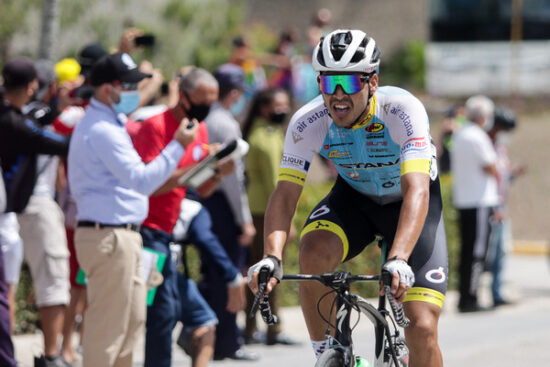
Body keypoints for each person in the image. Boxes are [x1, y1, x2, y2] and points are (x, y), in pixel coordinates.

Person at [248, 29, 448, 367]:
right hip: (355, 200)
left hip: (409, 206)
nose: (338, 95)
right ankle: (328, 354)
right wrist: (271, 257)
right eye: (328, 83)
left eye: (350, 83)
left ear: (372, 82)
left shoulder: (401, 110)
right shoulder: (307, 121)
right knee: (312, 251)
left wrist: (398, 258)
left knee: (423, 326)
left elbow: (417, 189)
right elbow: (284, 194)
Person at [67, 52, 198, 367]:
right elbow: (142, 181)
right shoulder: (102, 129)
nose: (133, 91)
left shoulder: (111, 122)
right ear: (106, 89)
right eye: (126, 85)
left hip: (121, 237)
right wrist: (178, 144)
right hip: (110, 237)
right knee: (107, 333)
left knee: (130, 328)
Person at [127, 67, 236, 367]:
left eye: (213, 101)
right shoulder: (155, 127)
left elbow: (199, 188)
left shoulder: (198, 128)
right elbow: (148, 185)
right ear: (183, 95)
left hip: (167, 235)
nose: (207, 107)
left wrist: (217, 172)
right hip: (145, 232)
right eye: (202, 99)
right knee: (162, 315)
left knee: (190, 317)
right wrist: (191, 164)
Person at [1, 57, 71, 367]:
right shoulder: (18, 121)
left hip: (10, 213)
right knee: (40, 283)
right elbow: (57, 143)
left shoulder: (12, 115)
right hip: (22, 211)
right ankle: (45, 356)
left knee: (8, 289)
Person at [199, 63, 258, 361]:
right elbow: (234, 181)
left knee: (211, 274)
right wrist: (244, 220)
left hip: (203, 201)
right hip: (223, 205)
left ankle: (210, 341)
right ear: (233, 93)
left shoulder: (202, 119)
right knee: (229, 276)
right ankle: (228, 343)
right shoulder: (227, 124)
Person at [241, 88, 297, 345]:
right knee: (271, 272)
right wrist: (289, 221)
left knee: (258, 272)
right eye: (279, 104)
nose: (283, 109)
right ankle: (271, 328)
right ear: (264, 108)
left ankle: (253, 327)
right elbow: (279, 183)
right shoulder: (266, 138)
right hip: (266, 215)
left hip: (258, 210)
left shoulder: (259, 133)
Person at [172, 197, 246, 367]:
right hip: (161, 269)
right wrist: (233, 277)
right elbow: (206, 240)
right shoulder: (191, 207)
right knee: (204, 320)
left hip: (133, 263)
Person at [451, 95, 499, 313]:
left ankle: (465, 296)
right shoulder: (478, 136)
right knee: (477, 253)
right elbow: (491, 166)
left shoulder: (461, 133)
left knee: (467, 251)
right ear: (483, 116)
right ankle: (470, 298)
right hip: (479, 200)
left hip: (464, 200)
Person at [486, 107, 525, 307]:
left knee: (501, 252)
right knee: (491, 252)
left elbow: (503, 176)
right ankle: (489, 292)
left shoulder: (500, 148)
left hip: (501, 204)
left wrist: (514, 174)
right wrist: (496, 208)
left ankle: (497, 292)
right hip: (492, 206)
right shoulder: (485, 146)